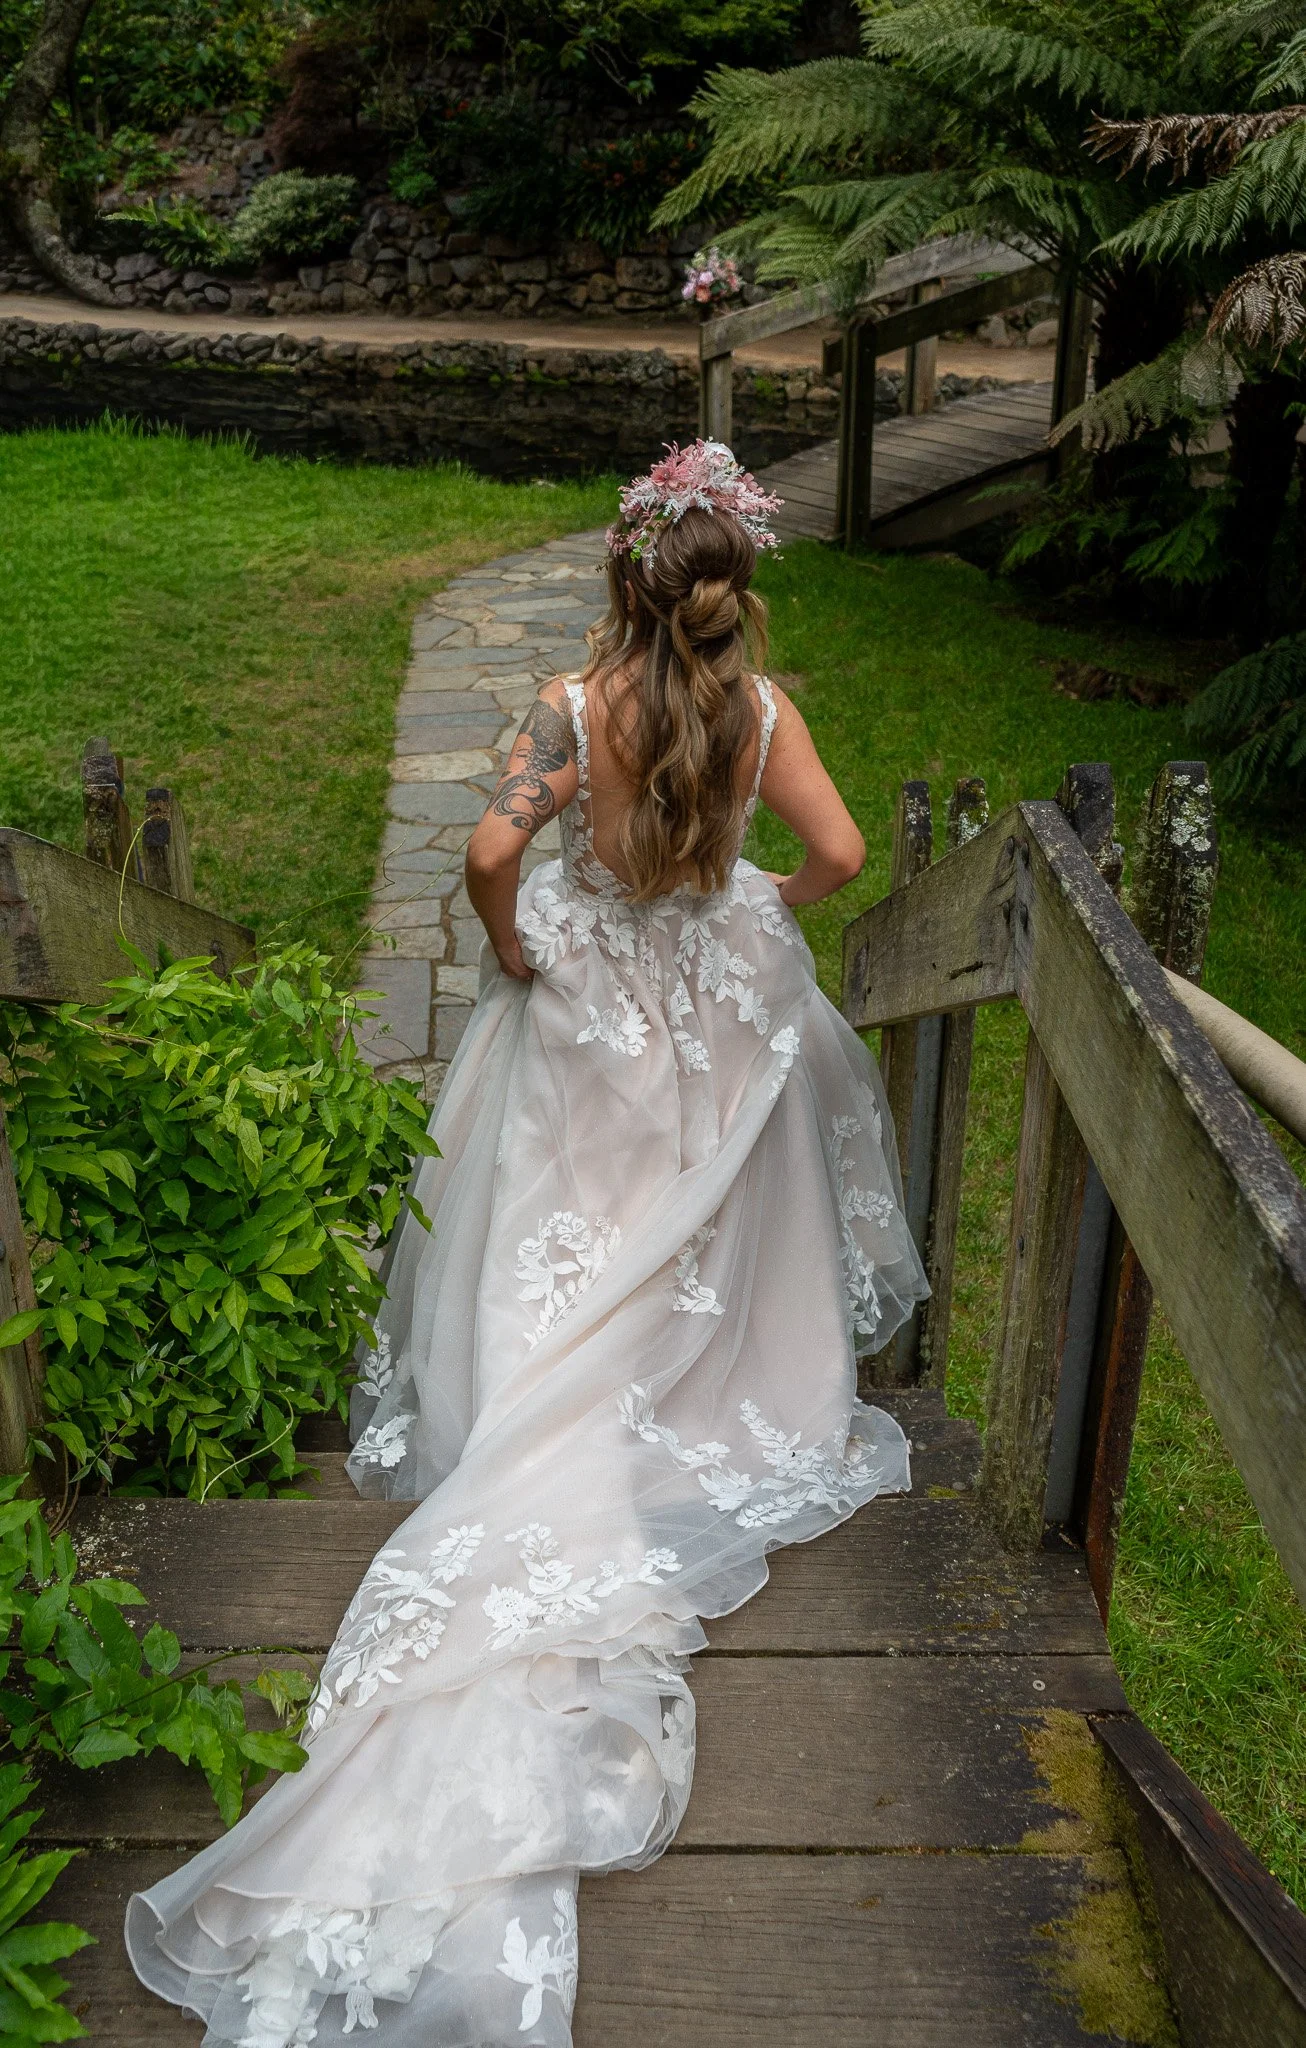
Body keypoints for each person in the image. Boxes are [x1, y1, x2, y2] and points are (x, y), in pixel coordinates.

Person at [125, 441, 929, 2046]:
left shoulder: (571, 711)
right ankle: (686, 1384)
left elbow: (496, 854)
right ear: (731, 591)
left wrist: (518, 948)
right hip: (708, 999)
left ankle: (543, 1408)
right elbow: (840, 864)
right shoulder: (767, 717)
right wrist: (744, 889)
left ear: (622, 582)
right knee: (683, 1231)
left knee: (564, 1223)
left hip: (592, 1011)